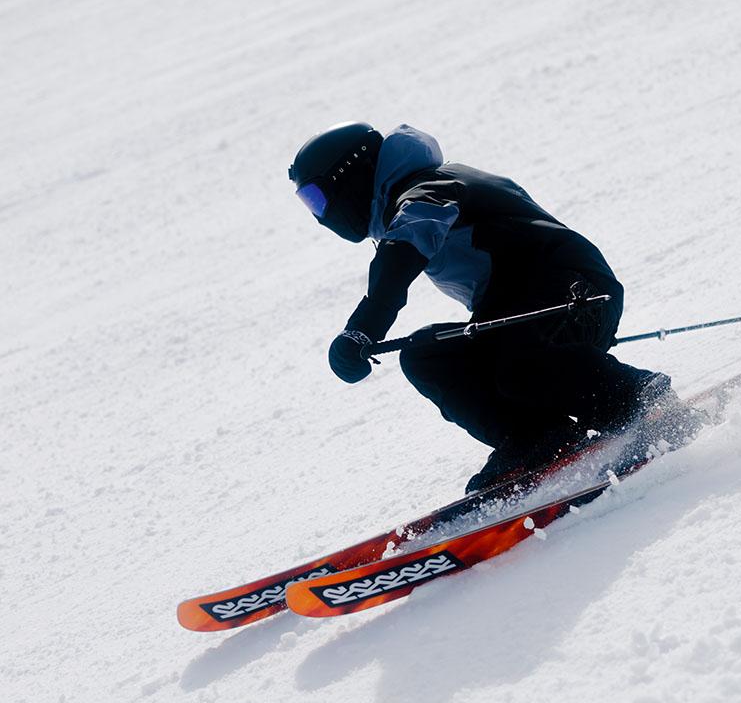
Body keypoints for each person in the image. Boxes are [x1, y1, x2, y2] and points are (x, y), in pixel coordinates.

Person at [289, 121, 679, 493]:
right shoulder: (421, 193)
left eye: (318, 198)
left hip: (577, 294)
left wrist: (363, 328)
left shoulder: (430, 190)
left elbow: (402, 253)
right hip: (527, 312)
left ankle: (638, 399)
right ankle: (538, 438)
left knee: (517, 365)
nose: (321, 216)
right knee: (427, 355)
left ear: (351, 177)